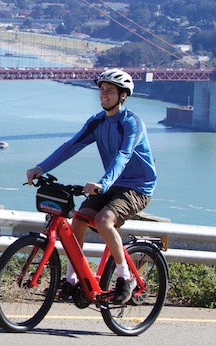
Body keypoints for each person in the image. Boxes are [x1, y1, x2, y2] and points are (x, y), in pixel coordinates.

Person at [25, 67, 156, 306]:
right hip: (112, 183)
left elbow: (123, 156)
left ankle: (125, 278)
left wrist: (103, 183)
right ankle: (72, 280)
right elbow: (70, 146)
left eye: (110, 91)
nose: (103, 95)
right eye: (102, 90)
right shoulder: (97, 122)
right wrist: (41, 167)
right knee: (78, 219)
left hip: (137, 186)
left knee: (104, 220)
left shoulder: (131, 123)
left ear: (123, 95)